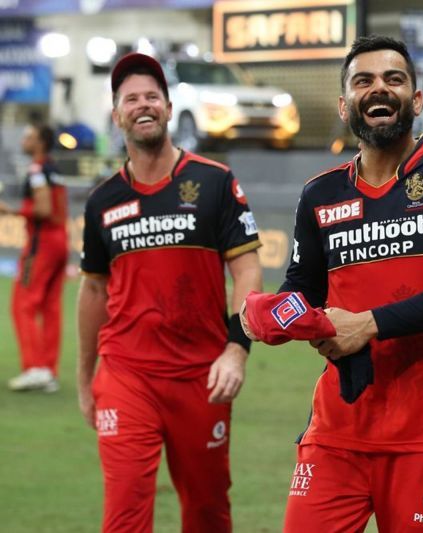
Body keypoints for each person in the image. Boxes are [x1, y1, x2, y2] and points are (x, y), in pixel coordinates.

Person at [245, 35, 423, 532]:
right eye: (364, 81)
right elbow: (303, 287)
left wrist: (367, 324)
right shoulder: (320, 193)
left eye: (393, 79)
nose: (378, 89)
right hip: (339, 426)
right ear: (345, 105)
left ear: (416, 100)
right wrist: (275, 314)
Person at [77, 53, 262, 533]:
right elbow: (94, 289)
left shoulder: (215, 182)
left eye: (152, 96)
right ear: (117, 114)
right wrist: (85, 376)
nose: (143, 105)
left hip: (202, 376)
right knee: (123, 515)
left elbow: (246, 270)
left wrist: (236, 349)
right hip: (126, 373)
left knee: (206, 512)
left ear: (168, 106)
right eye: (131, 98)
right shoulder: (103, 201)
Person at [0, 123, 68, 393]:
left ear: (39, 142)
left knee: (22, 305)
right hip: (61, 241)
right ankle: (48, 371)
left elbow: (43, 208)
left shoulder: (37, 170)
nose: (24, 140)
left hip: (42, 245)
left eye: (29, 136)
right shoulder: (55, 170)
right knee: (51, 308)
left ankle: (34, 367)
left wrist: (12, 211)